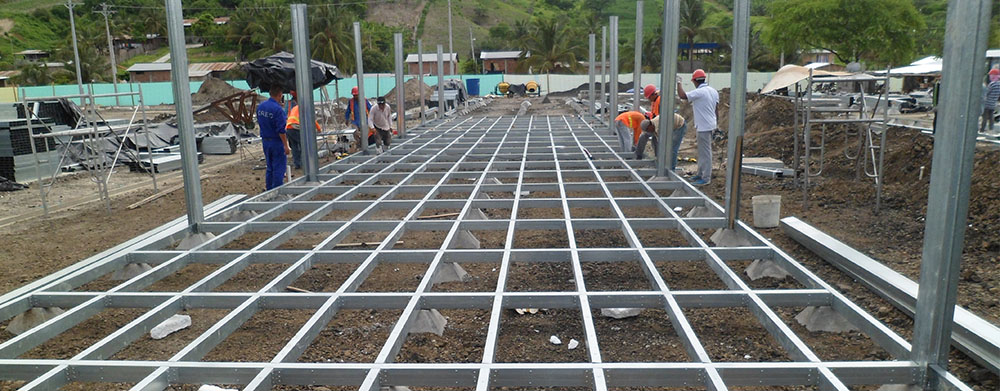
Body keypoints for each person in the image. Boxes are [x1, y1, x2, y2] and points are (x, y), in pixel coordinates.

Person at [677, 69, 719, 186]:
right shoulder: (713, 91)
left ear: (695, 81)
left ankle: (705, 178)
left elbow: (682, 95)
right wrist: (717, 123)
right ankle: (700, 174)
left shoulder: (700, 92)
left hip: (704, 126)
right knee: (702, 151)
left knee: (705, 153)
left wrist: (679, 83)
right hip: (709, 124)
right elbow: (716, 109)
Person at [256, 85, 291, 190]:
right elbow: (281, 130)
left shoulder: (261, 107)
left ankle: (269, 189)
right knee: (279, 167)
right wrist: (286, 145)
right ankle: (277, 190)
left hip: (265, 141)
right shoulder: (278, 110)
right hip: (276, 142)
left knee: (270, 167)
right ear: (280, 95)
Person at [285, 90, 323, 170]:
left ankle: (297, 164)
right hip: (295, 128)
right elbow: (312, 119)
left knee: (295, 147)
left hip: (288, 128)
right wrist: (319, 129)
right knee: (304, 146)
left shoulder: (295, 107)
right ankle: (305, 164)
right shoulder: (305, 107)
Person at [345, 86, 374, 150]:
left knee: (365, 134)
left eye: (356, 95)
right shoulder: (351, 101)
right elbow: (348, 111)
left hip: (365, 120)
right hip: (355, 121)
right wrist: (347, 119)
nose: (355, 97)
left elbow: (371, 109)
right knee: (355, 133)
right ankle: (359, 145)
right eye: (354, 95)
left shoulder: (365, 101)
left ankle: (365, 145)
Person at [981, 68, 1000, 134]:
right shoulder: (999, 85)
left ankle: (982, 129)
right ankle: (991, 128)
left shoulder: (992, 84)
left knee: (985, 117)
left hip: (987, 103)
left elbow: (987, 92)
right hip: (993, 103)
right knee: (991, 116)